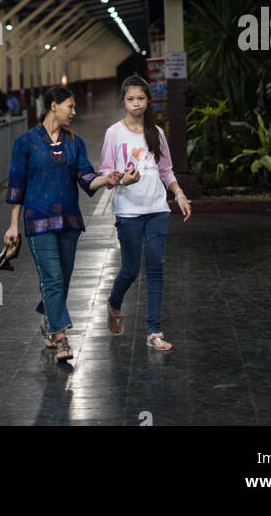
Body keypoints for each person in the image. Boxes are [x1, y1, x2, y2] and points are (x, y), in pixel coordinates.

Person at [4, 85, 121, 361]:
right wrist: (13, 225)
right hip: (38, 221)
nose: (74, 111)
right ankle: (61, 338)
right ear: (53, 106)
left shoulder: (74, 143)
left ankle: (48, 321)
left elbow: (86, 177)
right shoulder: (26, 142)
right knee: (53, 278)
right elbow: (17, 184)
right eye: (70, 105)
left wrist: (108, 178)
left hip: (69, 221)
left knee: (62, 279)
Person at [98, 75, 192, 352]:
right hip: (128, 212)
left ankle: (154, 332)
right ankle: (114, 302)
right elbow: (105, 171)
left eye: (140, 98)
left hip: (157, 210)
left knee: (156, 268)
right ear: (123, 101)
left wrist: (179, 194)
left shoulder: (157, 133)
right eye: (130, 99)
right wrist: (121, 180)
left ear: (148, 100)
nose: (136, 104)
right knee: (129, 269)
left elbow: (166, 171)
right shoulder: (114, 133)